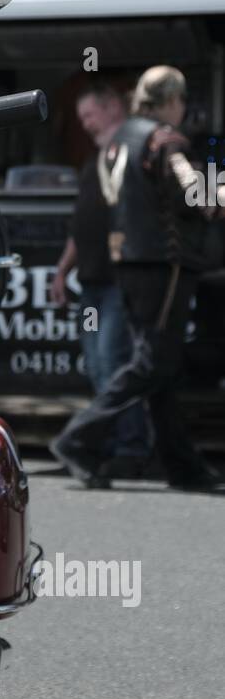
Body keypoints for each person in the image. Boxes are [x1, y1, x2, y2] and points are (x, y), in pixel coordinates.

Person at [51, 66, 223, 492]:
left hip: (127, 266)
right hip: (164, 266)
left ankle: (185, 468)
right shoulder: (165, 139)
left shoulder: (118, 141)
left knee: (159, 368)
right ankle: (78, 438)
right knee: (152, 363)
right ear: (173, 100)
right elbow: (198, 196)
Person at [51, 81, 150, 478]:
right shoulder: (97, 160)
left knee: (114, 363)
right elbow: (82, 226)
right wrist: (62, 270)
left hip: (119, 280)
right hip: (92, 281)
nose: (85, 123)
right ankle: (109, 446)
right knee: (97, 366)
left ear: (111, 107)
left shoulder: (134, 151)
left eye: (90, 114)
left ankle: (132, 447)